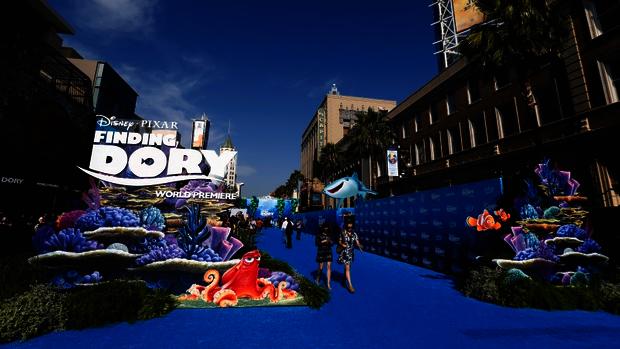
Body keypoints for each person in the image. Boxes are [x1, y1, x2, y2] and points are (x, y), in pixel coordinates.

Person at [337, 222, 363, 293]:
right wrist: (342, 244)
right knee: (348, 268)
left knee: (347, 268)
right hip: (345, 252)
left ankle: (344, 278)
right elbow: (339, 241)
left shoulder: (354, 234)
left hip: (351, 253)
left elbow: (357, 242)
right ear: (346, 227)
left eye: (351, 227)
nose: (350, 229)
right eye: (348, 227)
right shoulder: (343, 233)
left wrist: (360, 247)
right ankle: (350, 285)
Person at [315, 223, 333, 289]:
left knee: (329, 266)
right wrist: (324, 241)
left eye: (327, 227)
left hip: (328, 251)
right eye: (325, 227)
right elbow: (316, 243)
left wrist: (330, 242)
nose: (326, 229)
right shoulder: (319, 235)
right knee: (321, 266)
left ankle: (328, 283)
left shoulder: (330, 235)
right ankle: (317, 279)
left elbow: (332, 243)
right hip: (321, 251)